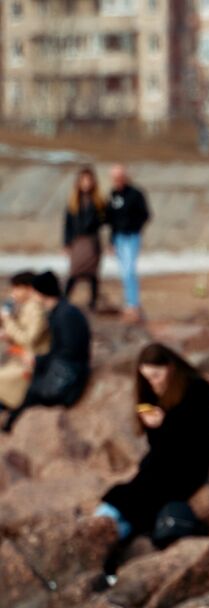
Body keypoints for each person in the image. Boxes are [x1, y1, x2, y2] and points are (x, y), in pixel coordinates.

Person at [92, 343, 209, 589]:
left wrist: (165, 423)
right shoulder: (151, 392)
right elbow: (159, 445)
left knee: (137, 498)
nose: (153, 382)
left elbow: (195, 439)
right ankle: (98, 541)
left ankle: (99, 543)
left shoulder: (199, 389)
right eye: (148, 377)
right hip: (160, 462)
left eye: (157, 375)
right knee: (128, 495)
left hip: (190, 464)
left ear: (170, 368)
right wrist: (153, 426)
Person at [2, 271, 91, 432]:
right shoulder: (62, 311)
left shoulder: (65, 315)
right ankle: (8, 425)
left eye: (34, 291)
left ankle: (9, 428)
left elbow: (68, 353)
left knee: (32, 393)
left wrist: (38, 360)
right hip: (64, 368)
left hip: (68, 377)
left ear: (41, 293)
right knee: (29, 391)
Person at [106, 165, 152, 324]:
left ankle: (133, 304)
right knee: (124, 271)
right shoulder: (113, 195)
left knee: (129, 270)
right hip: (118, 237)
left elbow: (145, 214)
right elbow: (111, 219)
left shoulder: (135, 194)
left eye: (119, 177)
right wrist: (111, 241)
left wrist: (135, 227)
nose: (117, 181)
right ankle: (129, 302)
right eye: (114, 178)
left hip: (131, 236)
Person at [0, 272, 50, 411]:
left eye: (16, 288)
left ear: (28, 288)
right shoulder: (27, 306)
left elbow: (28, 339)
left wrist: (8, 320)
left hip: (31, 365)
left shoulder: (36, 308)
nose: (13, 293)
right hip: (22, 360)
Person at [63, 166, 105, 311]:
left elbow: (105, 220)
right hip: (78, 241)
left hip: (92, 241)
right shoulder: (73, 202)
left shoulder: (98, 202)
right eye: (83, 180)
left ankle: (93, 302)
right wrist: (66, 243)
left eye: (89, 180)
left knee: (92, 273)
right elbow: (67, 224)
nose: (86, 183)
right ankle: (64, 298)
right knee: (74, 271)